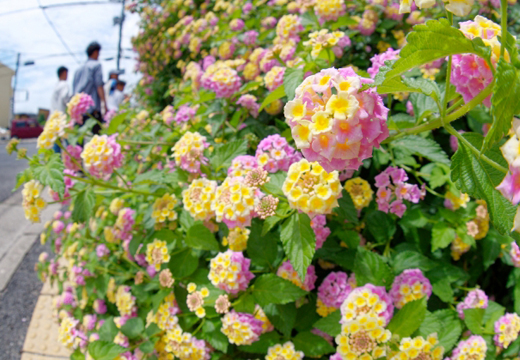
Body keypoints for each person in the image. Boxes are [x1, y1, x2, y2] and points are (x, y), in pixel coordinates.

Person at [72, 41, 106, 133]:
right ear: (95, 52)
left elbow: (74, 90)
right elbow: (99, 85)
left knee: (79, 140)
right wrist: (104, 104)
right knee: (97, 137)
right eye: (98, 53)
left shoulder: (78, 70)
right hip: (92, 110)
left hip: (79, 111)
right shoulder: (96, 65)